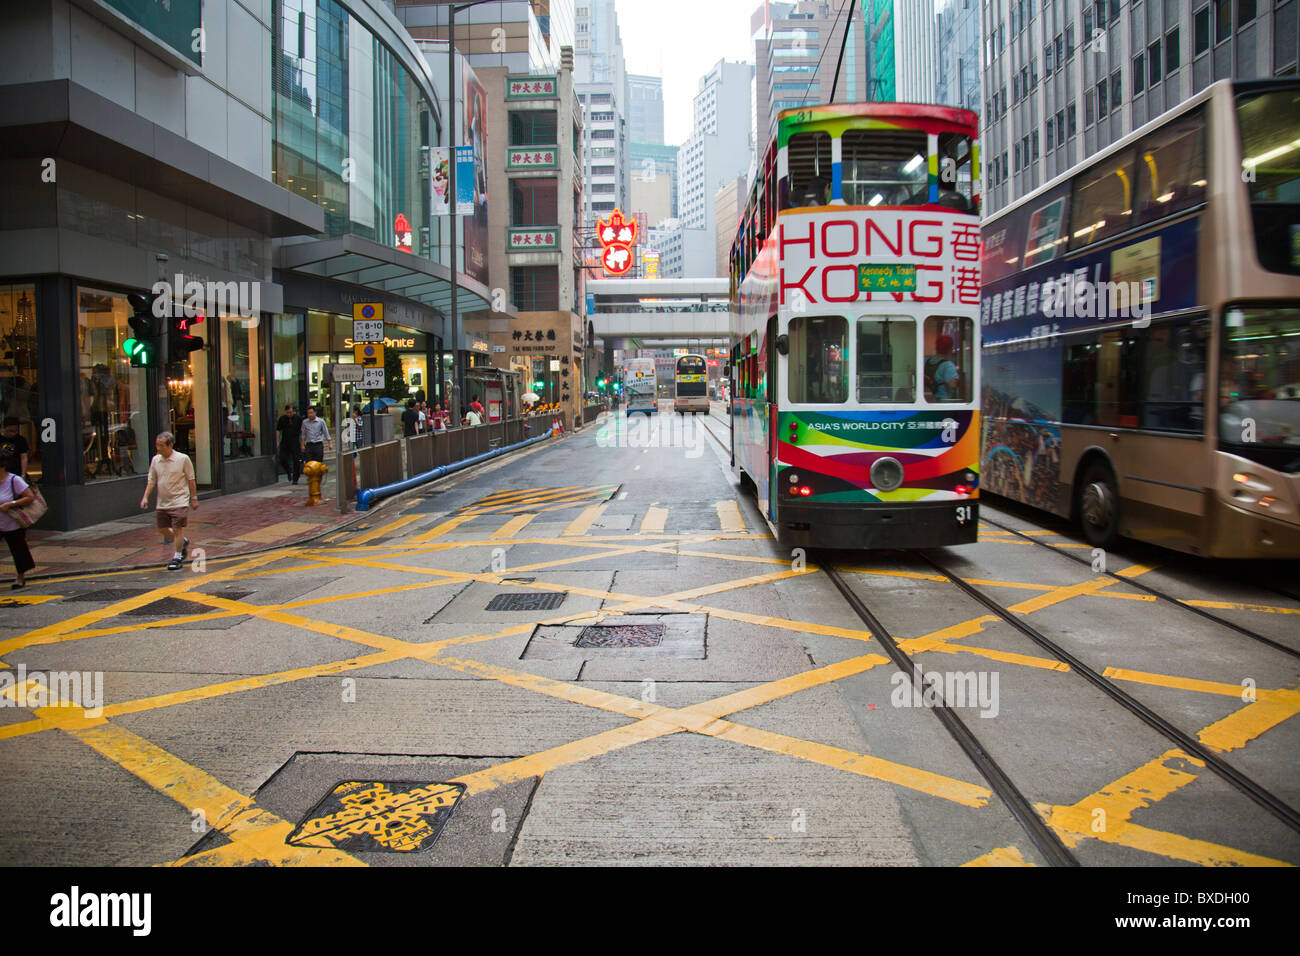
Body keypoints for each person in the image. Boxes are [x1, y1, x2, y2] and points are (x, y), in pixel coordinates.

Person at [140, 431, 197, 572]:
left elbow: (191, 479)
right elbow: (152, 480)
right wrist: (145, 497)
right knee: (162, 529)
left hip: (180, 500)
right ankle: (183, 542)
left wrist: (194, 498)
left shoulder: (183, 459)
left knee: (178, 529)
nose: (158, 448)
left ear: (170, 445)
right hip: (163, 502)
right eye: (157, 445)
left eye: (161, 445)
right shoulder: (155, 460)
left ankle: (177, 557)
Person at [0, 453, 36, 588]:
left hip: (12, 523)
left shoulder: (13, 480)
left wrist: (10, 504)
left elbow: (29, 497)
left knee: (18, 550)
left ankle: (20, 578)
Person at [925, 334, 962, 401]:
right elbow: (952, 385)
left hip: (929, 400)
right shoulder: (947, 365)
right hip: (942, 401)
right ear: (949, 349)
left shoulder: (927, 361)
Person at [275, 404, 303, 484]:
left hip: (295, 441)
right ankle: (288, 470)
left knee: (296, 460)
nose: (289, 414)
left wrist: (302, 443)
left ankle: (295, 478)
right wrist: (277, 441)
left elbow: (302, 431)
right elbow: (278, 430)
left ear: (293, 411)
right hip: (285, 441)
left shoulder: (298, 418)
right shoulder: (282, 419)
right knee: (282, 458)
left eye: (290, 412)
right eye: (287, 413)